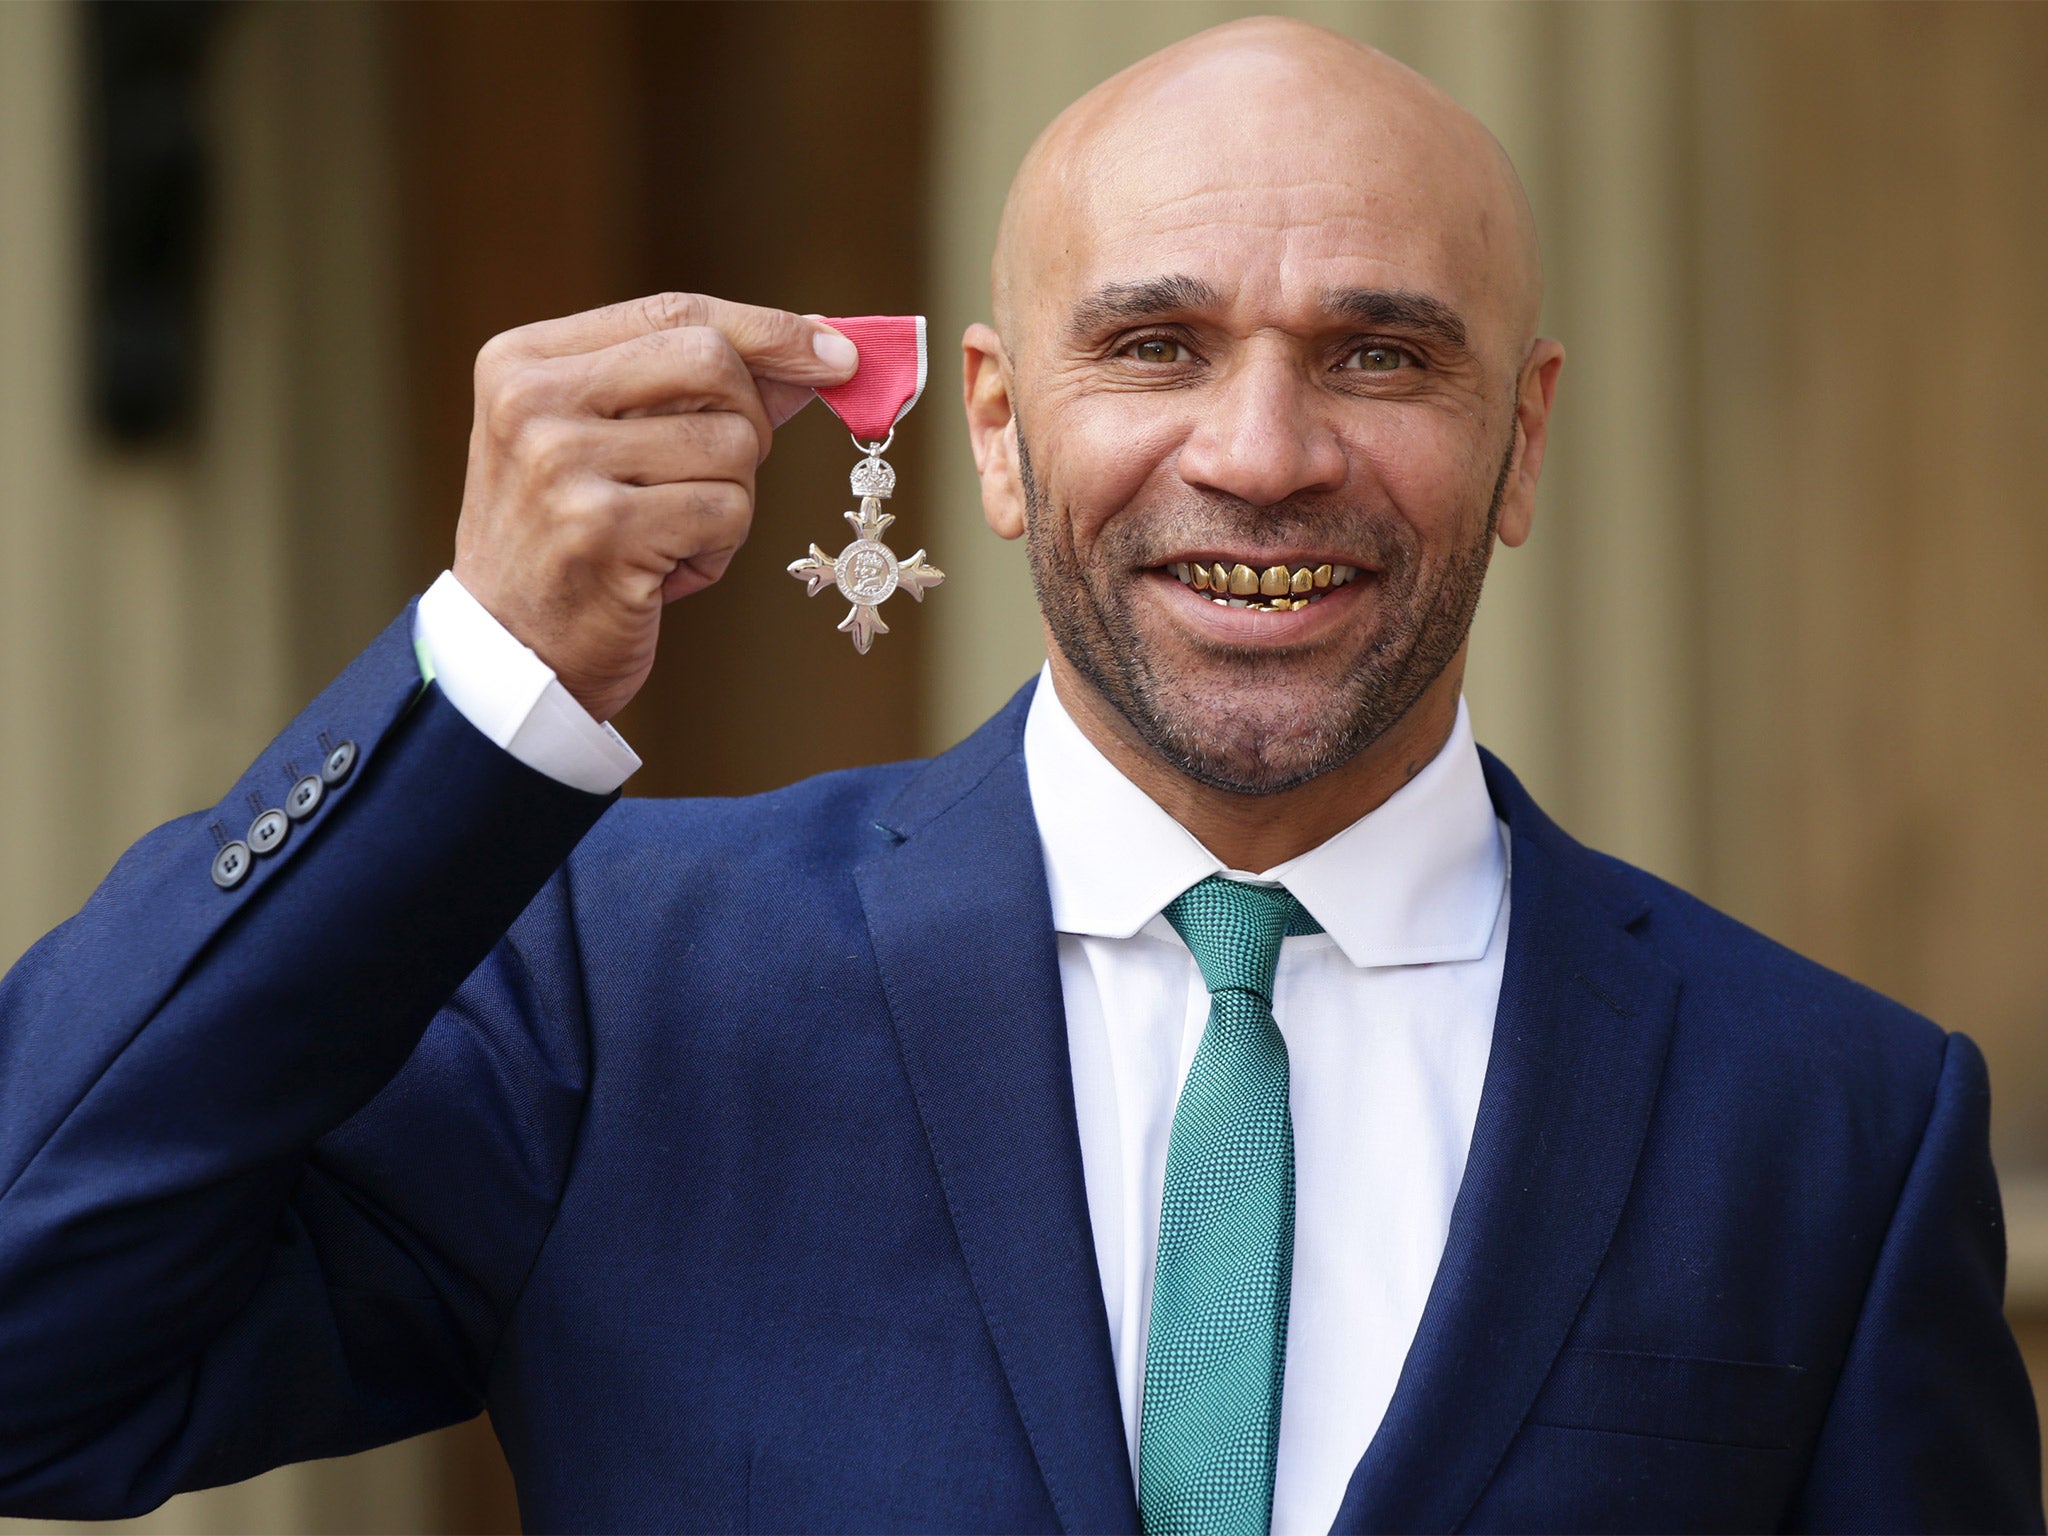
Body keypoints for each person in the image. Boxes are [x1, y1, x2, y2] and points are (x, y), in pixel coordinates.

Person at [0, 17, 2038, 1535]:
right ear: (989, 425)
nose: (1260, 450)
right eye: (1152, 345)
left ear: (1521, 442)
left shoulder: (1835, 1128)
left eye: (1380, 354)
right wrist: (483, 681)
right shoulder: (620, 994)